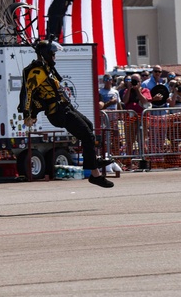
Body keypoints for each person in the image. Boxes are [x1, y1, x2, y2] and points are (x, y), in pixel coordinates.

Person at [20, 40, 114, 188]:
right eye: (53, 54)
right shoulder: (37, 71)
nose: (55, 57)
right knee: (87, 135)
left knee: (89, 127)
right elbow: (28, 92)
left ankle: (94, 161)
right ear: (46, 54)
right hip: (57, 112)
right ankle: (95, 174)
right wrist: (28, 113)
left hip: (64, 107)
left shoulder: (46, 69)